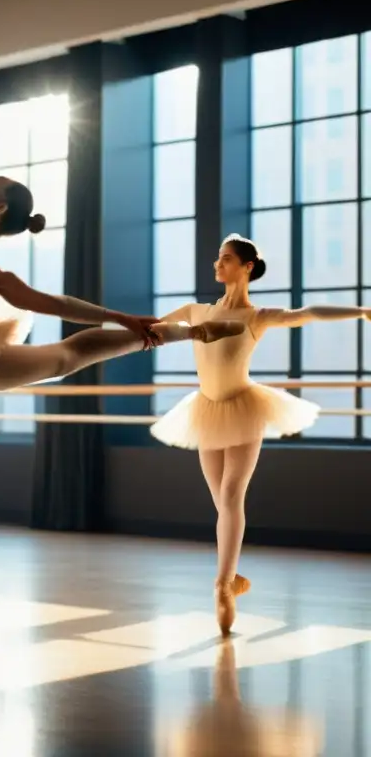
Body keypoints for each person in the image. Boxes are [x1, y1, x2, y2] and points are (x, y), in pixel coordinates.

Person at [0, 72, 246, 681]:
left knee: (67, 355)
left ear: (0, 207)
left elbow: (52, 303)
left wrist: (123, 316)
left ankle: (181, 332)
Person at [151, 234, 370, 635]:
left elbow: (307, 313)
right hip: (205, 410)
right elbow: (151, 329)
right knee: (223, 506)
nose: (218, 265)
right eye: (218, 258)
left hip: (244, 407)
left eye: (227, 259)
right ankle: (232, 579)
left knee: (233, 496)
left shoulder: (257, 317)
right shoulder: (195, 310)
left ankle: (221, 585)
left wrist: (359, 311)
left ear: (247, 267)